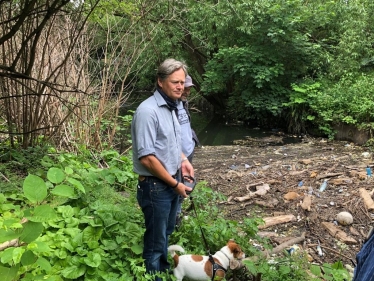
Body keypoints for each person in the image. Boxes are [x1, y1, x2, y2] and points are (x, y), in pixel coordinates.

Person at [131, 58, 194, 280]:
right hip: (155, 186)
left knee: (166, 232)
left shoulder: (172, 107)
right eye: (175, 82)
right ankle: (154, 276)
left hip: (170, 181)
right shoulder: (148, 111)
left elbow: (171, 145)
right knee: (156, 241)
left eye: (182, 82)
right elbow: (147, 158)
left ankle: (164, 271)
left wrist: (184, 160)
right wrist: (175, 184)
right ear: (160, 81)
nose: (180, 86)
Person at [175, 75, 200, 227]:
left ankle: (177, 215)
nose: (188, 91)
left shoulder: (184, 103)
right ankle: (175, 220)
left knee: (185, 186)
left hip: (188, 152)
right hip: (177, 155)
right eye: (186, 87)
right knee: (176, 187)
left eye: (190, 88)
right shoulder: (169, 105)